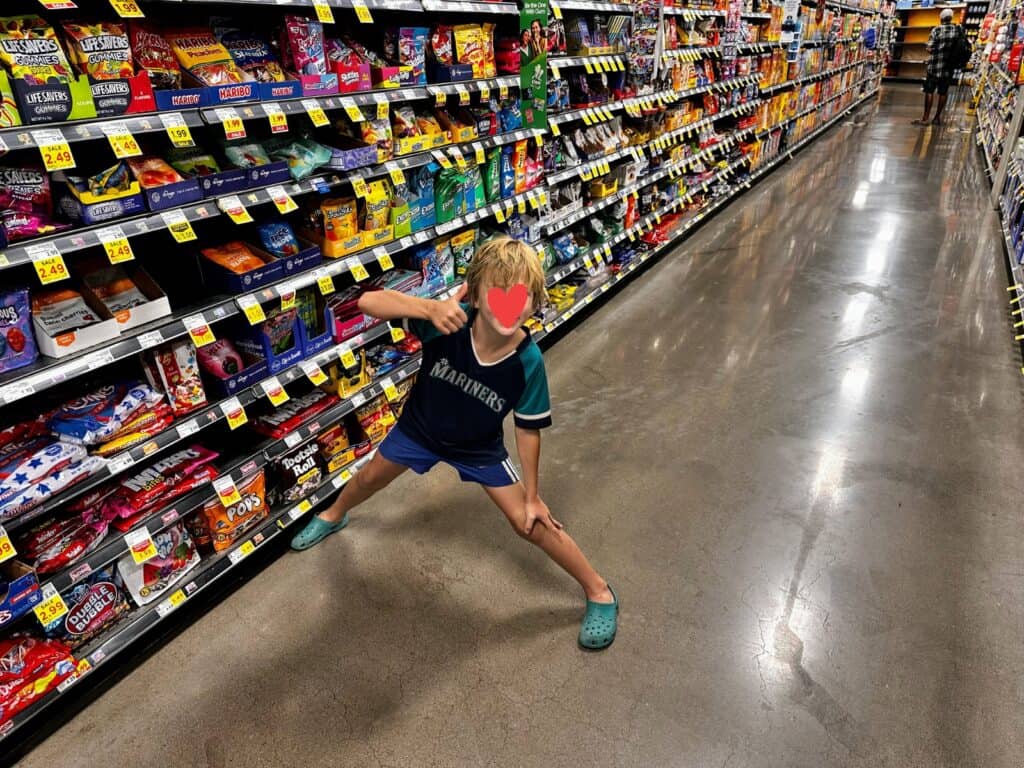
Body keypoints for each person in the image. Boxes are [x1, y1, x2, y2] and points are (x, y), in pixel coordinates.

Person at [290, 236, 619, 650]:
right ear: (475, 295)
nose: (510, 304)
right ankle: (333, 513)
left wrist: (534, 495)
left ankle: (599, 590)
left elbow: (527, 428)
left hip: (479, 448)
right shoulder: (447, 321)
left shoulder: (527, 362)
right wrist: (427, 306)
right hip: (419, 430)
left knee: (529, 523)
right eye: (499, 291)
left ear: (535, 302)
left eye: (523, 295)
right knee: (372, 475)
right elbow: (368, 304)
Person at [915, 8, 961, 126]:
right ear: (951, 18)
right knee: (943, 92)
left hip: (935, 67)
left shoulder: (936, 30)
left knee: (929, 91)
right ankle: (937, 118)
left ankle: (925, 118)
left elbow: (929, 48)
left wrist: (933, 49)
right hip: (948, 68)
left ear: (941, 18)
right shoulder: (957, 31)